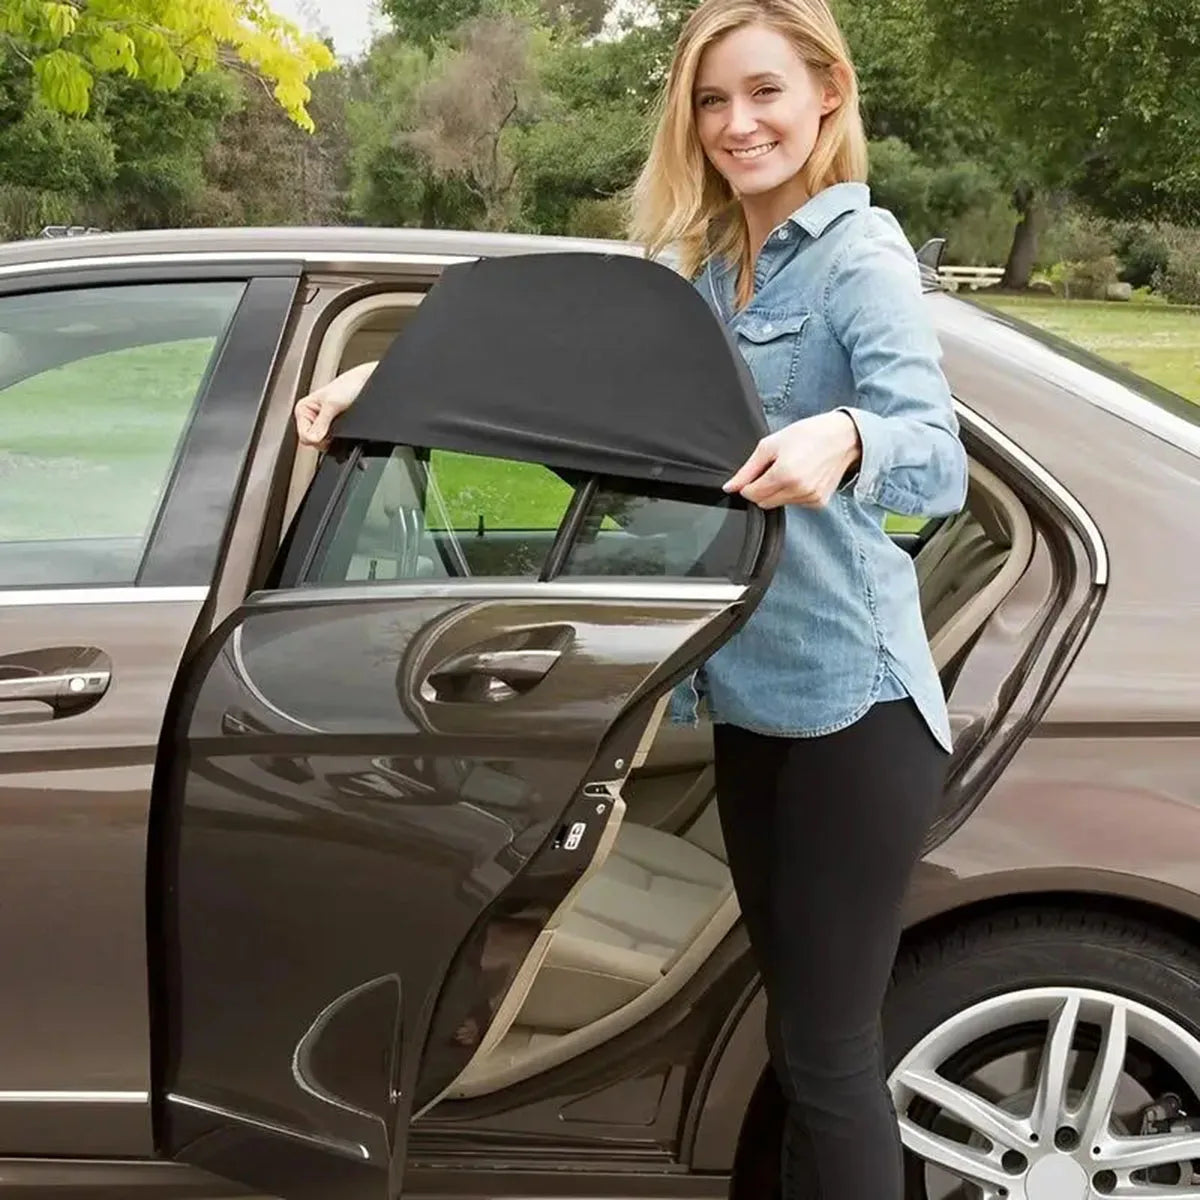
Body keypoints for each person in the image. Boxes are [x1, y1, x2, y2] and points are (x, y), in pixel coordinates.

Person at [294, 1, 966, 1193]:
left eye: (764, 92)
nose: (736, 123)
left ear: (827, 96)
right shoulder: (704, 271)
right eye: (713, 100)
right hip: (758, 698)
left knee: (827, 1054)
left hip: (854, 707)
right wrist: (379, 380)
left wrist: (849, 438)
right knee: (804, 1046)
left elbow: (939, 451)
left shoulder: (862, 259)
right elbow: (573, 384)